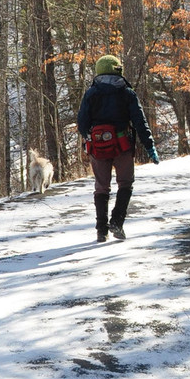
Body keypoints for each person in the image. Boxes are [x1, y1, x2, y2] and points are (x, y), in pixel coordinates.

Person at [77, 55, 160, 242]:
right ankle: (117, 222)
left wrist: (88, 137)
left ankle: (101, 230)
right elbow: (140, 121)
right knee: (125, 183)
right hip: (123, 145)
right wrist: (150, 147)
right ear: (117, 70)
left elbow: (82, 123)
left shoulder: (91, 94)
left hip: (97, 147)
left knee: (101, 187)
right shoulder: (127, 93)